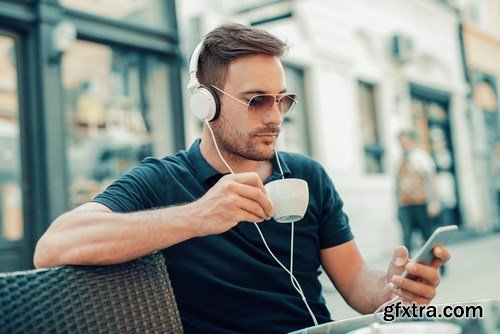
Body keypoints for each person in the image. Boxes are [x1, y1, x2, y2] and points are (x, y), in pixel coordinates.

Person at [34, 24, 451, 333]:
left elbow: (360, 286)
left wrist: (396, 292)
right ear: (205, 103)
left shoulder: (309, 176)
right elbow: (53, 246)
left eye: (282, 100)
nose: (275, 117)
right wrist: (198, 216)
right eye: (256, 101)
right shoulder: (163, 181)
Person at [396, 131, 441, 251]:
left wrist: (434, 202)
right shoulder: (399, 160)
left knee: (427, 236)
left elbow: (431, 180)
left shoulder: (422, 156)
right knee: (406, 239)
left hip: (421, 203)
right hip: (405, 204)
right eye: (401, 142)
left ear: (411, 141)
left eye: (405, 141)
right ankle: (406, 267)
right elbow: (397, 185)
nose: (403, 144)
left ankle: (438, 263)